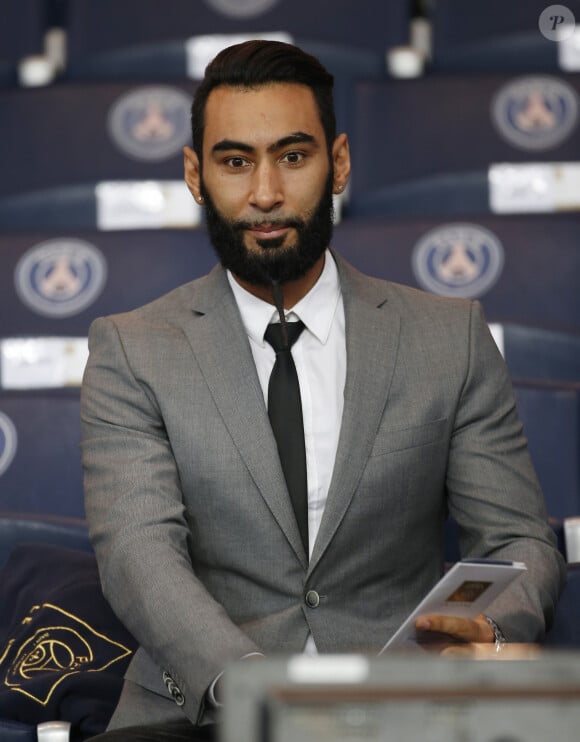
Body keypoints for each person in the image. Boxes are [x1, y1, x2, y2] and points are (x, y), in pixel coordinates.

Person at [81, 40, 565, 741]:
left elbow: (517, 539)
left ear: (337, 162)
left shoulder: (449, 336)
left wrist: (487, 626)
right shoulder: (132, 349)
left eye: (294, 156)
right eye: (235, 161)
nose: (267, 193)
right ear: (194, 173)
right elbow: (138, 555)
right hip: (200, 714)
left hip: (403, 708)